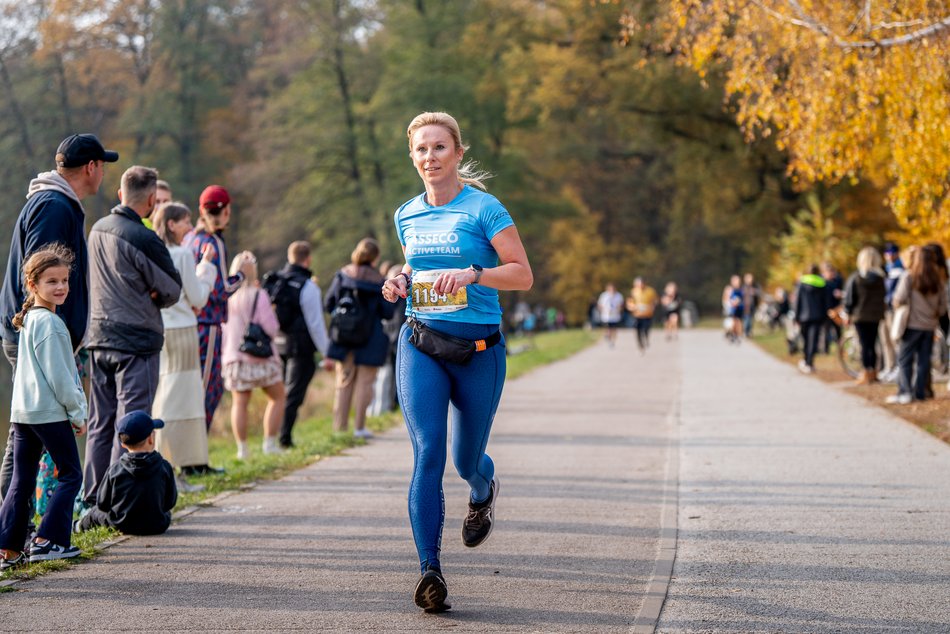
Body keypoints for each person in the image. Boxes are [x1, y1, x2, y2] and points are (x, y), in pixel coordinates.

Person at [381, 111, 533, 613]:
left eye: (440, 147)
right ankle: (430, 570)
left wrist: (474, 274)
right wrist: (397, 280)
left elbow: (522, 275)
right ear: (412, 156)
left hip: (478, 352)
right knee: (429, 451)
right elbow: (413, 265)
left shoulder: (485, 209)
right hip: (421, 342)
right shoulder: (406, 213)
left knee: (466, 460)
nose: (430, 157)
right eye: (422, 149)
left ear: (458, 153)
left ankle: (482, 489)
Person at [0, 134, 116, 503]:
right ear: (91, 167)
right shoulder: (54, 205)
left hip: (40, 335)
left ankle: (16, 529)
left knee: (26, 440)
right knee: (25, 442)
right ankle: (13, 528)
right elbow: (40, 272)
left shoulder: (56, 201)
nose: (103, 174)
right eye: (103, 166)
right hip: (39, 338)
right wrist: (50, 332)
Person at [84, 166, 183, 507]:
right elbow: (172, 289)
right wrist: (153, 295)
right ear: (153, 200)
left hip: (97, 337)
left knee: (100, 422)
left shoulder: (96, 230)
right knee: (133, 424)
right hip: (136, 342)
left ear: (120, 193)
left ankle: (94, 498)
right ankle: (122, 499)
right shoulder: (143, 237)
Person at [0, 246, 86, 569]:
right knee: (71, 475)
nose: (61, 287)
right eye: (52, 281)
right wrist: (78, 413)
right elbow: (62, 378)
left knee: (21, 481)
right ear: (33, 285)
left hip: (23, 414)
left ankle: (8, 549)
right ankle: (49, 540)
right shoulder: (50, 324)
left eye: (64, 280)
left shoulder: (30, 321)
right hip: (48, 414)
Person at [185, 185, 255, 474]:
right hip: (208, 323)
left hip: (190, 322)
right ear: (225, 211)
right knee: (208, 390)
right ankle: (196, 461)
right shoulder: (212, 244)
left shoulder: (190, 238)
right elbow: (220, 289)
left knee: (194, 390)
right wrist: (243, 275)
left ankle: (192, 458)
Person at [150, 202, 217, 488]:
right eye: (186, 221)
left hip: (161, 332)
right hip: (184, 332)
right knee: (183, 402)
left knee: (165, 398)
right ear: (172, 224)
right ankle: (178, 470)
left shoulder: (154, 252)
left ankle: (167, 468)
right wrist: (207, 268)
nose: (190, 228)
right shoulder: (182, 254)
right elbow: (199, 297)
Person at [263, 241, 333, 449]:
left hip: (277, 344)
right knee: (293, 394)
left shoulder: (276, 280)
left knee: (279, 394)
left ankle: (273, 438)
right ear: (308, 259)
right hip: (300, 347)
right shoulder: (308, 285)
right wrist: (327, 352)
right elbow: (315, 323)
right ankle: (284, 438)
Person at [324, 238, 395, 438]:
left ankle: (339, 429)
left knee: (344, 383)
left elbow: (329, 303)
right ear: (375, 257)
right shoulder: (379, 281)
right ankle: (359, 428)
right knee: (365, 383)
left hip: (344, 337)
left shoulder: (342, 275)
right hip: (370, 338)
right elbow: (388, 312)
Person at [222, 254, 286, 458]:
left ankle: (243, 449)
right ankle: (269, 443)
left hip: (235, 355)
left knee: (240, 403)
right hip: (261, 356)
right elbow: (271, 328)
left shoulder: (227, 297)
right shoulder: (259, 295)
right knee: (277, 397)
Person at [77, 411, 177, 535]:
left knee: (94, 513)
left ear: (122, 444)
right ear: (151, 439)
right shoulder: (165, 466)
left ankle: (77, 527)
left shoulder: (114, 469)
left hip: (121, 525)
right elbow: (170, 502)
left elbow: (103, 504)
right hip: (157, 525)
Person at [887, 247, 947, 404]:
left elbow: (898, 299)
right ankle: (920, 393)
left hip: (911, 325)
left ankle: (905, 392)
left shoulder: (909, 277)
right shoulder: (938, 281)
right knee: (924, 360)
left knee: (904, 359)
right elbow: (942, 308)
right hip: (929, 326)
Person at [368, 264, 408, 417]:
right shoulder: (391, 294)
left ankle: (387, 407)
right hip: (393, 337)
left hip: (392, 336)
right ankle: (383, 408)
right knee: (387, 375)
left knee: (392, 374)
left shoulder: (395, 293)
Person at [843, 247, 886, 385]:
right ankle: (873, 372)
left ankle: (865, 372)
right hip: (875, 316)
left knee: (864, 345)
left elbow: (850, 298)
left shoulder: (856, 278)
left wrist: (848, 313)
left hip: (860, 315)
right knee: (872, 344)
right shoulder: (881, 278)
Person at [794, 265, 830, 374]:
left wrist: (796, 316)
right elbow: (826, 301)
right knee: (813, 340)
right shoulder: (822, 283)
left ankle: (806, 360)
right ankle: (810, 362)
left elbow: (798, 301)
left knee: (805, 340)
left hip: (804, 316)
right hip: (818, 316)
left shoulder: (802, 283)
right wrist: (825, 316)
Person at [879, 242, 905, 382]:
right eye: (886, 253)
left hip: (893, 309)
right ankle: (889, 367)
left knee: (894, 339)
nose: (888, 256)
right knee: (885, 339)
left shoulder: (899, 268)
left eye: (890, 253)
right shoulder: (887, 268)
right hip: (884, 309)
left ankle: (898, 367)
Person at [627, 277, 658, 352]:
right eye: (638, 284)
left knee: (646, 329)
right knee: (637, 330)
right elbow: (629, 302)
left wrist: (653, 306)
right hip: (637, 314)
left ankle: (646, 339)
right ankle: (640, 344)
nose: (640, 285)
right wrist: (633, 307)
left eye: (641, 284)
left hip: (647, 314)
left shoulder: (650, 291)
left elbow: (655, 300)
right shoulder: (633, 292)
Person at [821, 262, 844, 353]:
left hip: (836, 309)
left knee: (838, 331)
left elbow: (842, 293)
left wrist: (840, 294)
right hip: (826, 311)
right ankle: (825, 350)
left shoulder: (837, 281)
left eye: (832, 272)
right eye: (829, 272)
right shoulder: (822, 283)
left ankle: (840, 349)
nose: (831, 274)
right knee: (826, 331)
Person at [596, 283, 624, 347]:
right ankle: (608, 336)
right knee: (607, 328)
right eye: (611, 289)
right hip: (606, 316)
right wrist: (602, 310)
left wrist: (619, 309)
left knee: (614, 329)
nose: (612, 290)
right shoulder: (604, 295)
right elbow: (600, 305)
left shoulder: (619, 295)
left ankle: (612, 341)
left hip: (615, 316)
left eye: (613, 289)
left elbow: (621, 305)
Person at [741, 273, 760, 338]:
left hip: (753, 305)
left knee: (751, 319)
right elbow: (741, 294)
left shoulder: (755, 286)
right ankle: (745, 331)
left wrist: (754, 292)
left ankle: (749, 331)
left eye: (751, 278)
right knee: (746, 319)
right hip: (746, 306)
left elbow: (759, 293)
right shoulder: (743, 287)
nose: (750, 280)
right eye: (749, 278)